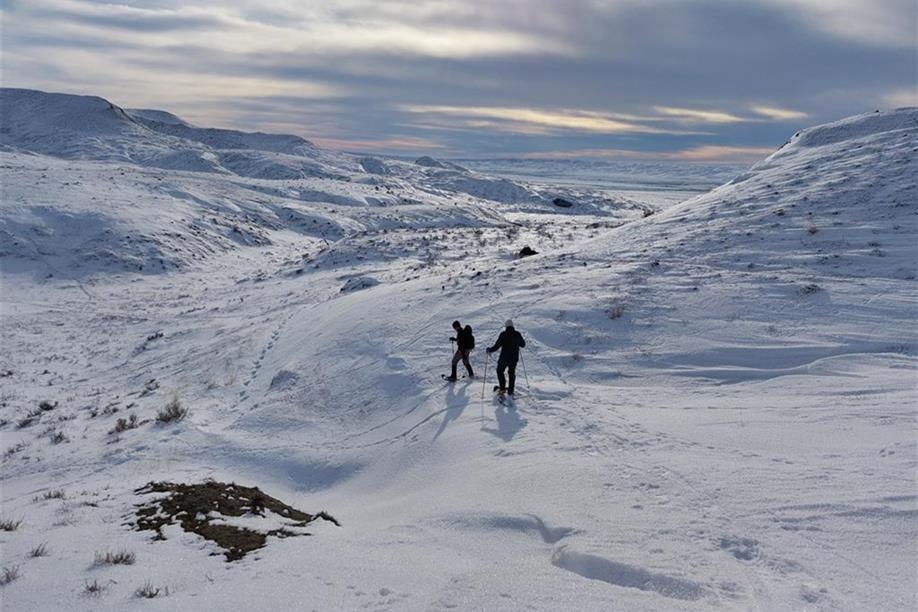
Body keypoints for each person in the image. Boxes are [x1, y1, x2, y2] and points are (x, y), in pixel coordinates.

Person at [486, 320, 525, 395]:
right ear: (512, 326)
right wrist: (517, 342)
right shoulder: (517, 334)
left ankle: (502, 388)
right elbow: (523, 345)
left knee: (499, 371)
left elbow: (497, 346)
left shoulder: (503, 334)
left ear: (506, 326)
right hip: (514, 358)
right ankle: (510, 390)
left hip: (504, 358)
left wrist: (490, 350)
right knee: (511, 373)